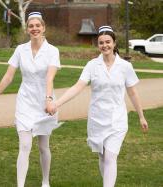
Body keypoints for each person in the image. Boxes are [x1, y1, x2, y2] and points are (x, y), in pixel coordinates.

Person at [48, 26, 149, 187]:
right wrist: (56, 103)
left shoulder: (125, 66)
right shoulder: (92, 65)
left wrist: (141, 116)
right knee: (102, 157)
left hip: (117, 120)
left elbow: (133, 93)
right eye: (101, 43)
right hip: (96, 119)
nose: (105, 45)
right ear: (98, 45)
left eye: (108, 42)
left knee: (110, 157)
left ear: (114, 43)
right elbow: (77, 87)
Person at [0, 12, 60, 187]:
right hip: (25, 102)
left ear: (43, 28)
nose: (34, 29)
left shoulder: (52, 51)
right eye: (31, 26)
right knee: (24, 146)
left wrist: (49, 100)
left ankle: (45, 182)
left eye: (37, 26)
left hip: (44, 103)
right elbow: (8, 76)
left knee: (43, 146)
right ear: (27, 29)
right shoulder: (20, 50)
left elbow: (50, 77)